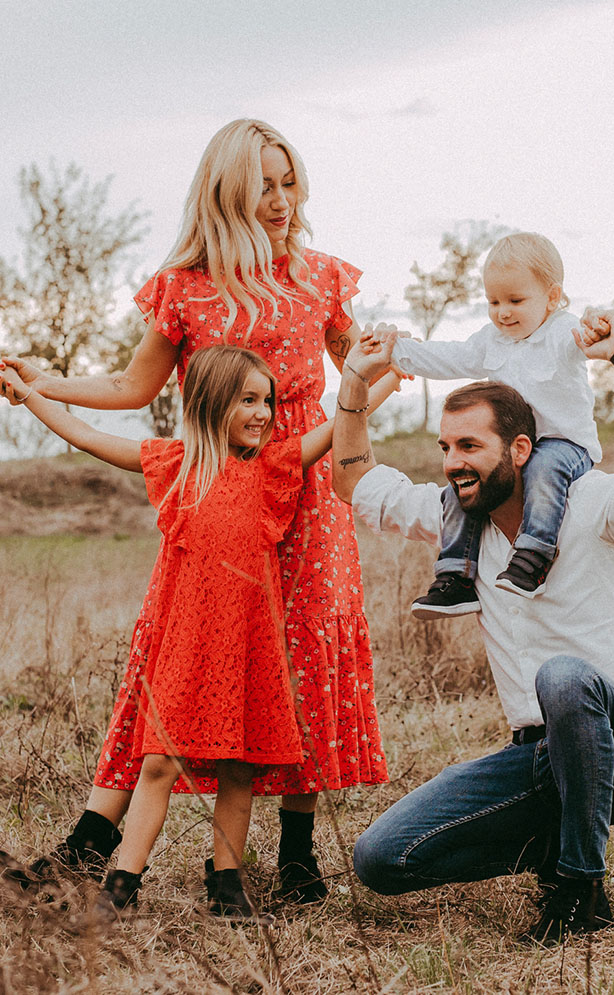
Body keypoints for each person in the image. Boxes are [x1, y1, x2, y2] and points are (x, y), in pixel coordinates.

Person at [0, 118, 390, 903]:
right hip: (213, 494)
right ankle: (93, 840)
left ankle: (297, 851)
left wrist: (407, 363)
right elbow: (133, 388)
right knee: (173, 655)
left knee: (299, 654)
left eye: (290, 183)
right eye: (264, 187)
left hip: (307, 491)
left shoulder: (318, 278)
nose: (281, 201)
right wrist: (46, 384)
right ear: (226, 193)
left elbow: (365, 371)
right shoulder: (185, 287)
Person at [0, 344, 396, 920]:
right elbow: (85, 436)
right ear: (211, 402)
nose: (265, 413)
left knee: (240, 768)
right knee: (159, 762)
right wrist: (28, 393)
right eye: (249, 400)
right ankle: (119, 888)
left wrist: (384, 376)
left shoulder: (275, 465)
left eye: (269, 400)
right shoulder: (175, 464)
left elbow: (343, 420)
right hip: (188, 641)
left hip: (252, 644)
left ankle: (227, 888)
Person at [330, 313, 614, 945]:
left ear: (521, 450)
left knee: (565, 676)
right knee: (381, 859)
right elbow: (352, 482)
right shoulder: (456, 526)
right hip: (537, 757)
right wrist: (355, 382)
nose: (453, 463)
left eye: (470, 447)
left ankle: (578, 886)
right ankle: (555, 844)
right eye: (446, 448)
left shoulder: (594, 505)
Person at [387, 233, 600, 619]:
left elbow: (584, 341)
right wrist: (396, 351)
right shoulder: (492, 340)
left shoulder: (560, 332)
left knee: (543, 466)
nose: (502, 312)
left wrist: (597, 331)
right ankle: (456, 577)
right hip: (513, 449)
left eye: (515, 301)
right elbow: (449, 358)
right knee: (467, 478)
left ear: (552, 298)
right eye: (493, 301)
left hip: (564, 447)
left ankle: (533, 558)